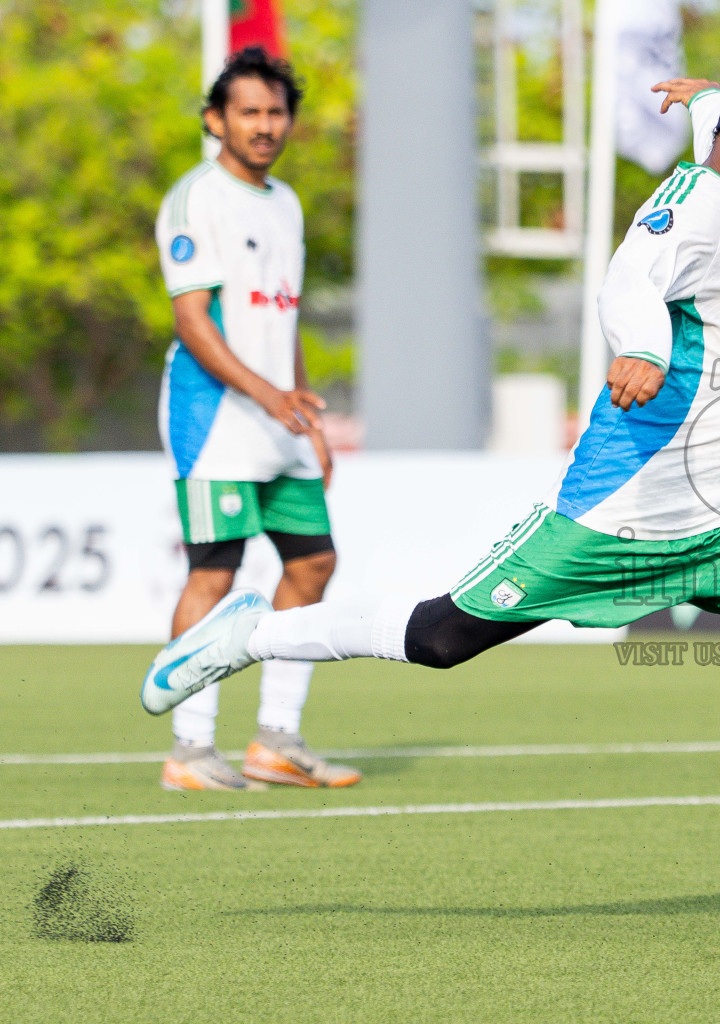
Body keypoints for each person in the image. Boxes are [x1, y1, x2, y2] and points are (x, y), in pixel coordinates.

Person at [141, 53, 720, 919]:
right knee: (439, 637)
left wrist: (709, 97)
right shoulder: (700, 203)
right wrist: (644, 345)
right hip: (618, 519)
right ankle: (246, 634)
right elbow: (632, 276)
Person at [152, 46, 359, 791]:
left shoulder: (288, 202)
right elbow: (192, 322)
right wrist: (267, 397)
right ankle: (189, 747)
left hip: (279, 420)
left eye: (276, 112)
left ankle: (275, 740)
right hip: (216, 418)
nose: (265, 125)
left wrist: (303, 415)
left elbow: (285, 318)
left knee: (312, 561)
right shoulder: (195, 198)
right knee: (216, 570)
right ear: (217, 120)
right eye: (249, 112)